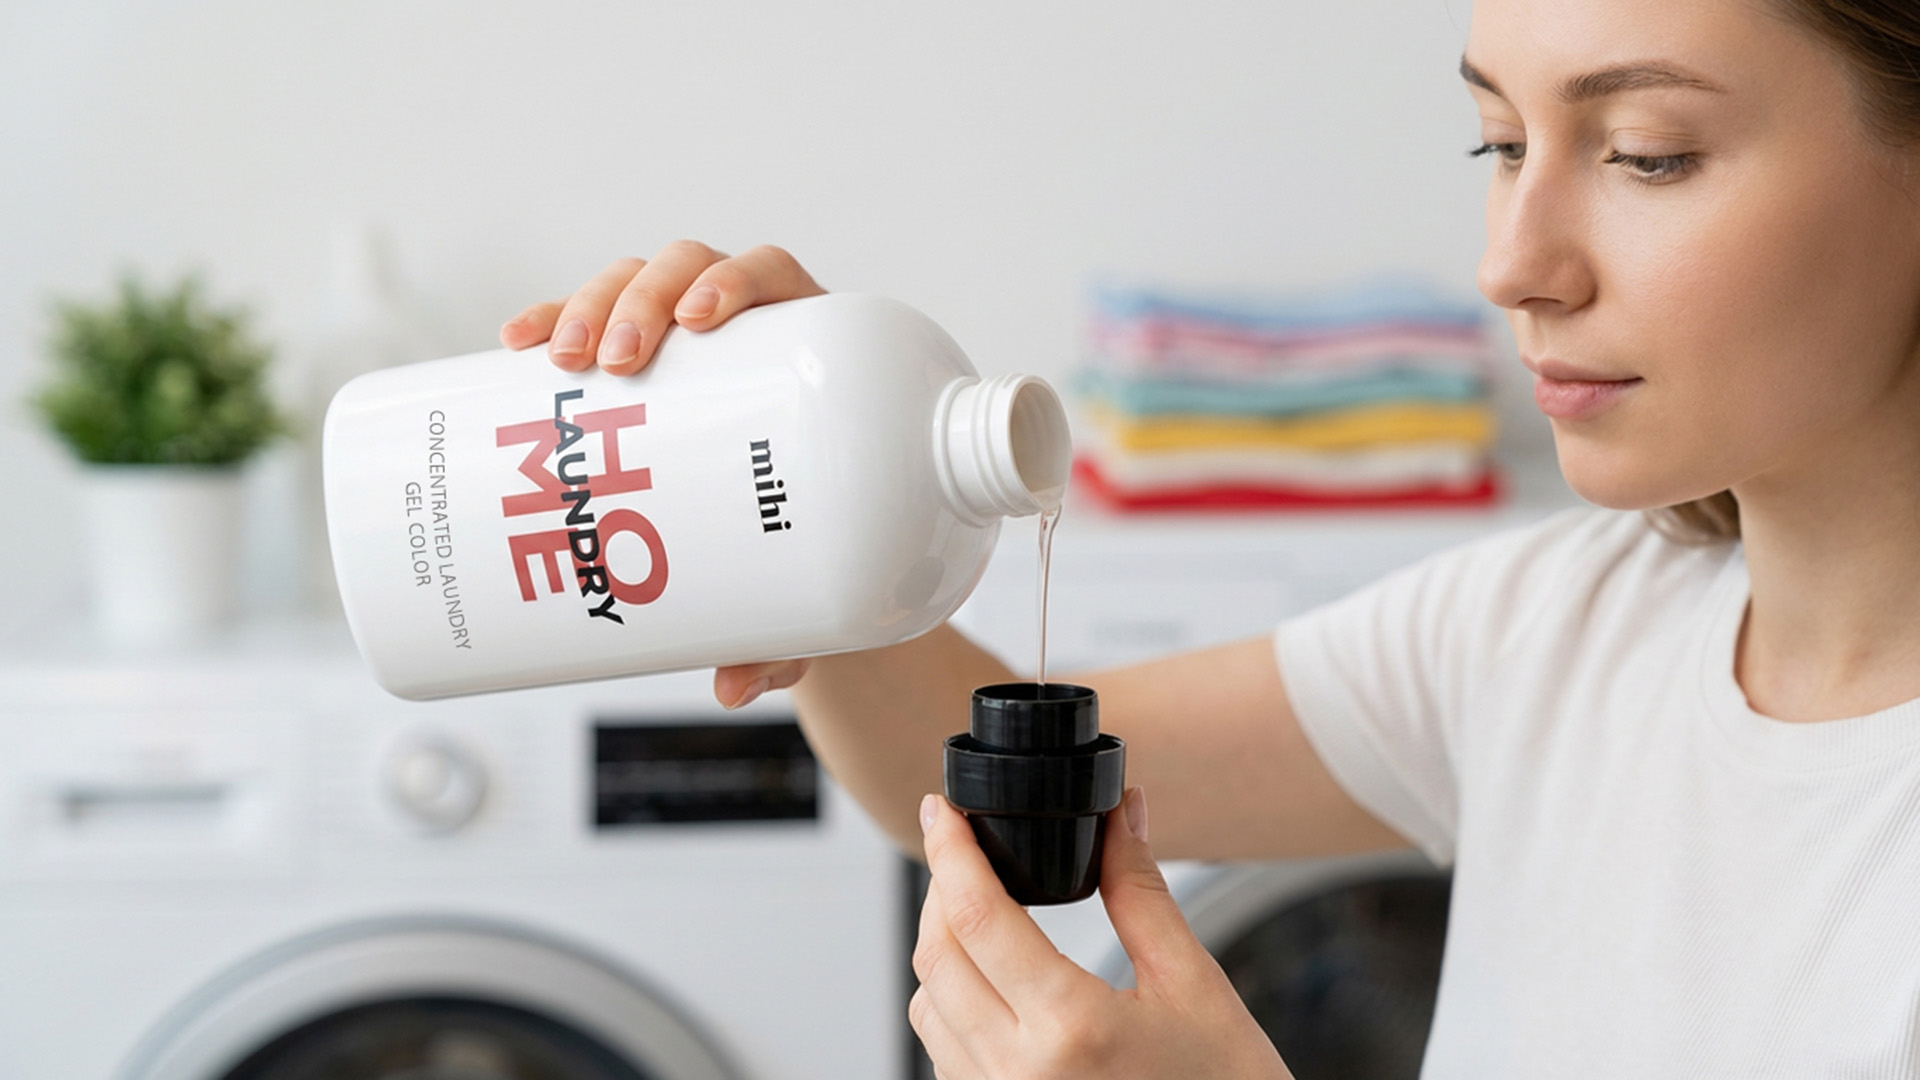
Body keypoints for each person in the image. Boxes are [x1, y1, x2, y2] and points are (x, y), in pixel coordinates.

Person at [499, 0, 1920, 1073]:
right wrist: (802, 498)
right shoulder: (1552, 629)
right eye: (1498, 143)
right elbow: (970, 766)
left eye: (1649, 156)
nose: (1510, 265)